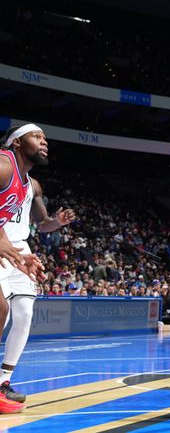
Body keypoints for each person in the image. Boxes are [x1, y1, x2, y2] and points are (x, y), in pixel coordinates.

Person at [0, 124, 54, 414]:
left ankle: (2, 381)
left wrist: (20, 257)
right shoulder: (4, 165)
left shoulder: (26, 183)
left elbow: (2, 225)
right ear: (17, 143)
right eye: (37, 137)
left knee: (14, 312)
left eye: (45, 138)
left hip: (14, 246)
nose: (44, 142)